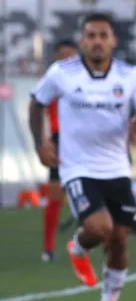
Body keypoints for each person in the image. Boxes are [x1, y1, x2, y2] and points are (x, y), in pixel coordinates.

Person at [28, 12, 136, 301]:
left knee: (120, 239)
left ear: (112, 41)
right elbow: (36, 102)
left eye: (103, 36)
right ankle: (77, 246)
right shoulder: (63, 72)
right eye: (91, 36)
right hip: (77, 167)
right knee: (101, 228)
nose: (97, 42)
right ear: (82, 41)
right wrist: (40, 142)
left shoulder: (129, 76)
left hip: (117, 168)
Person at [40, 39, 80, 262]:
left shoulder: (89, 82)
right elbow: (37, 108)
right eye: (63, 56)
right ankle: (48, 247)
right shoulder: (51, 82)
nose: (67, 60)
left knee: (91, 191)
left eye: (71, 56)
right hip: (59, 140)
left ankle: (86, 242)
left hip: (83, 141)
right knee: (55, 194)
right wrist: (43, 140)